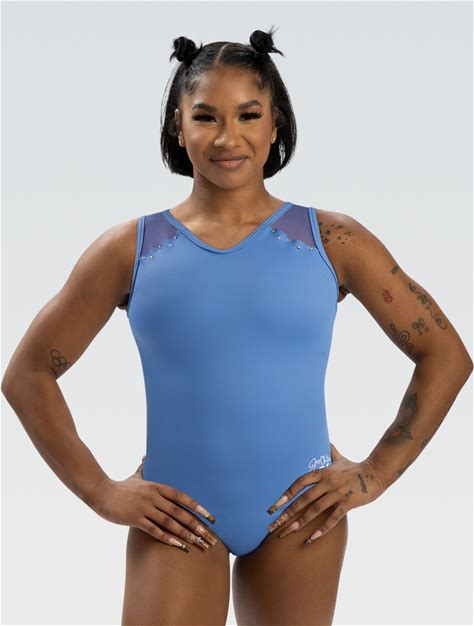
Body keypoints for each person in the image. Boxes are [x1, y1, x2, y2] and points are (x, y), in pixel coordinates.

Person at [2, 26, 472, 626]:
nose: (229, 137)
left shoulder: (333, 240)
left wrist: (374, 474)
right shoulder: (131, 250)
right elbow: (28, 374)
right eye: (206, 117)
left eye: (249, 115)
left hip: (300, 513)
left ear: (276, 125)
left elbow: (445, 354)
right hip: (177, 514)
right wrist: (100, 491)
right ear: (178, 126)